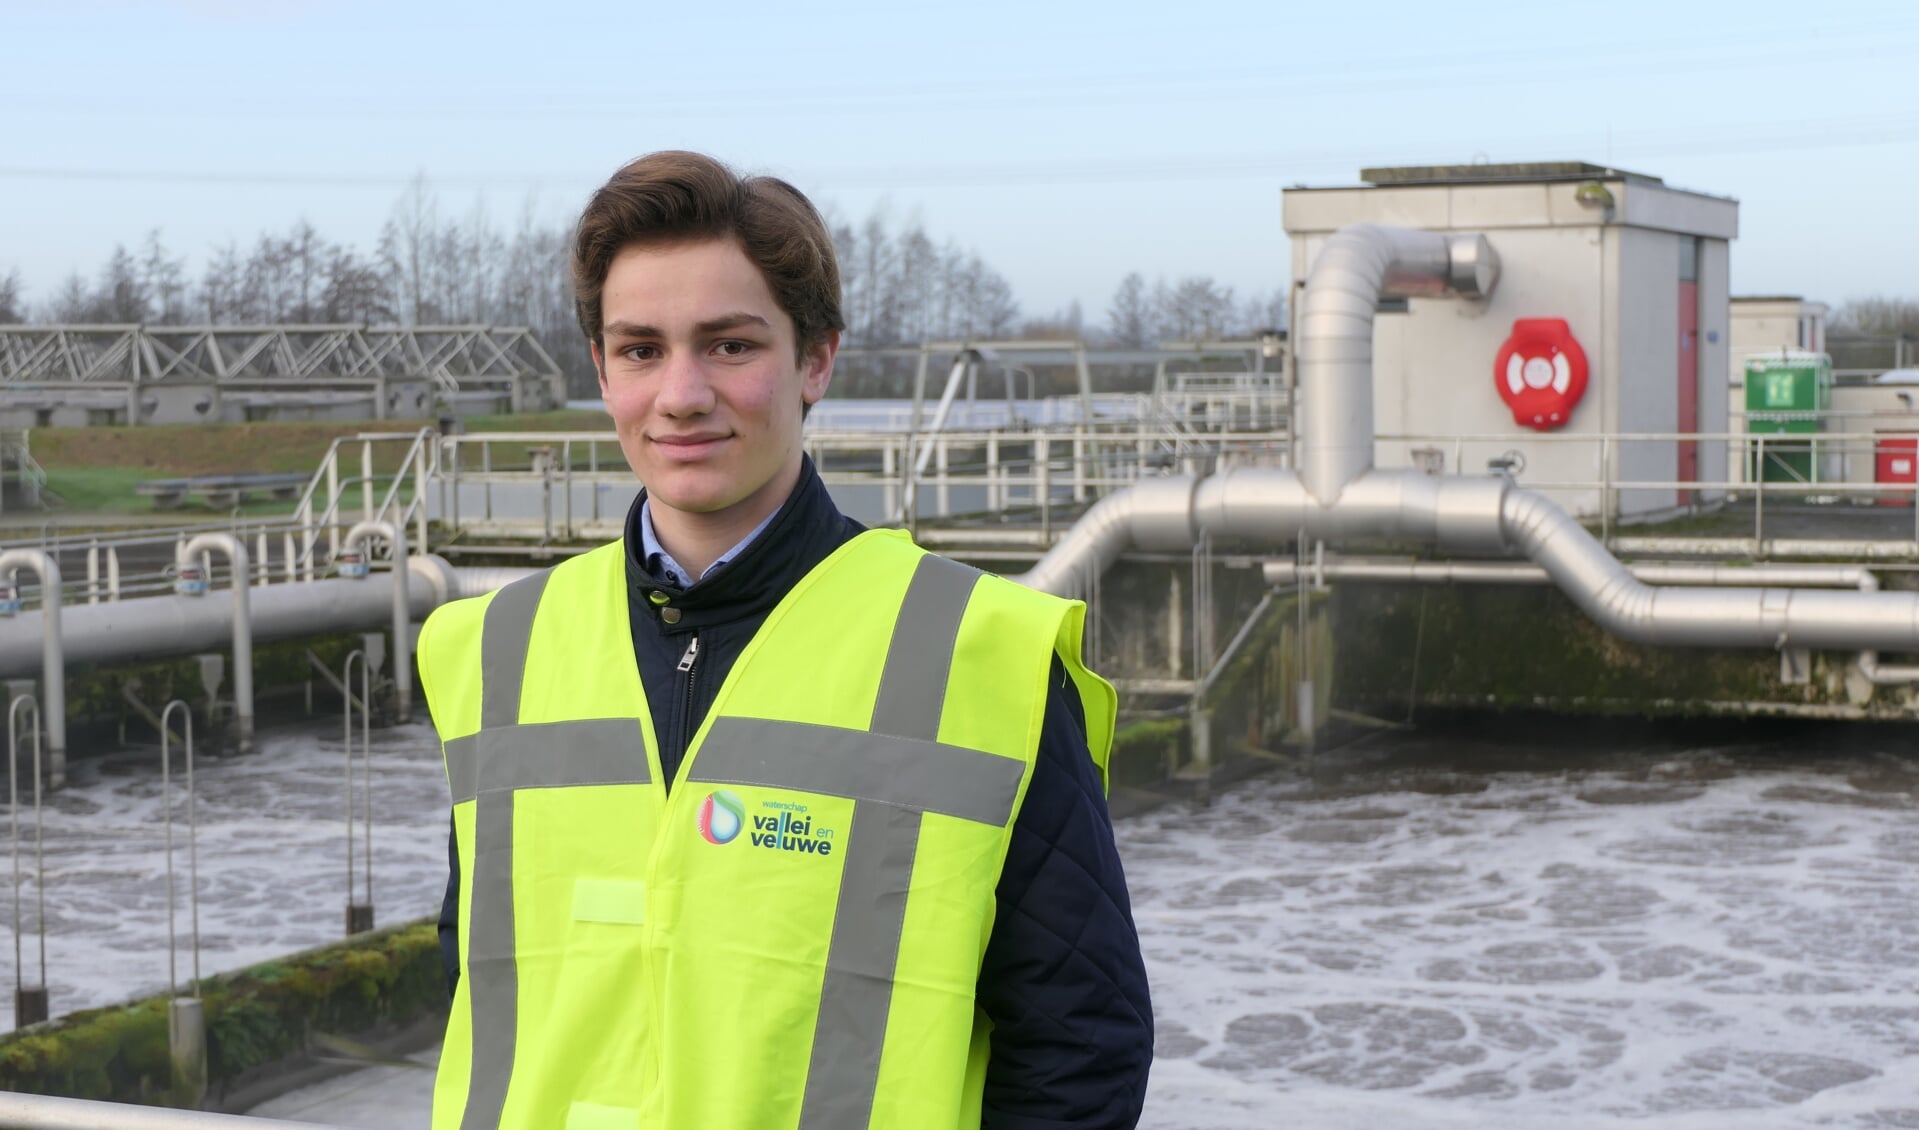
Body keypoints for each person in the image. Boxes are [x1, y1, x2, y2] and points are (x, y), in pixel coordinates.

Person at [421, 150, 1152, 1130]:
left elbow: (1080, 1036)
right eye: (640, 348)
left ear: (814, 359)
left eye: (728, 345)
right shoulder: (494, 647)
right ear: (601, 368)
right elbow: (477, 970)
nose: (680, 393)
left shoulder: (976, 651)